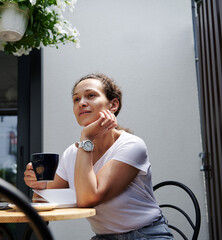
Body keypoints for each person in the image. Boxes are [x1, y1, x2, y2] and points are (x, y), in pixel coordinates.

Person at [24, 73, 174, 240]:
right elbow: (42, 202)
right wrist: (39, 185)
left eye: (91, 95)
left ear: (113, 105)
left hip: (146, 235)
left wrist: (86, 138)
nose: (82, 103)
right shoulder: (73, 153)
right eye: (76, 99)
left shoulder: (131, 145)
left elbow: (89, 198)